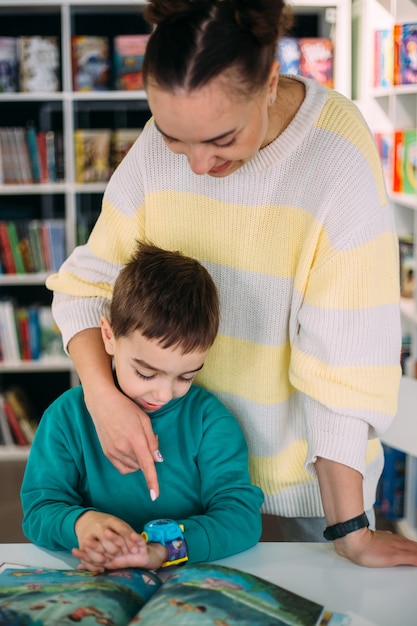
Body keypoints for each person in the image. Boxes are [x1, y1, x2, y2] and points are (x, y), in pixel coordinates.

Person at [46, 0, 417, 567]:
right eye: (174, 138)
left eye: (221, 140)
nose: (195, 164)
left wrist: (350, 528)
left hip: (304, 496)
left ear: (270, 81)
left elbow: (346, 365)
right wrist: (102, 397)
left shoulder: (335, 154)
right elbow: (85, 286)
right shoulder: (154, 150)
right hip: (178, 479)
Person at [21, 242, 264, 572]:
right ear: (108, 336)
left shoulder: (211, 422)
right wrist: (81, 524)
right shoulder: (66, 417)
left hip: (183, 581)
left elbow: (241, 518)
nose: (164, 393)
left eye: (186, 376)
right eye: (146, 373)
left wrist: (162, 550)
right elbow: (39, 509)